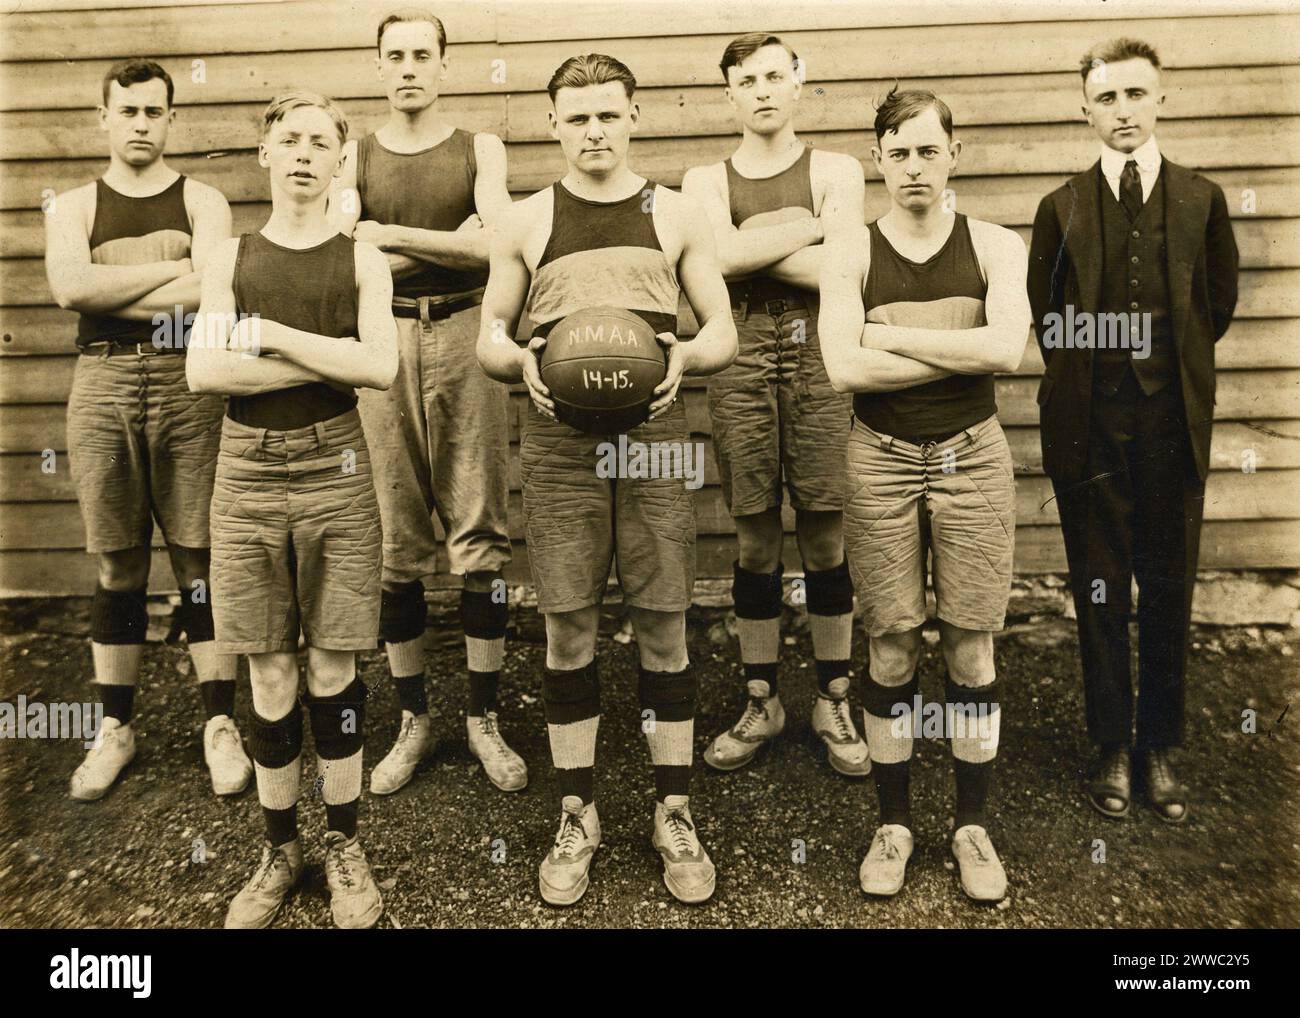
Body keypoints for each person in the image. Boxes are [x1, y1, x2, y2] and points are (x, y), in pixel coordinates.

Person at [476, 53, 737, 906]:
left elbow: (723, 328)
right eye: (576, 116)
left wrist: (687, 355)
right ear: (553, 123)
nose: (593, 131)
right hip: (558, 442)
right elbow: (489, 336)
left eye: (608, 115)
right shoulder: (525, 219)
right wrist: (524, 365)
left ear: (634, 117)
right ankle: (577, 810)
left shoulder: (677, 212)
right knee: (569, 630)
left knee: (665, 624)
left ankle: (673, 809)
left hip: (656, 435)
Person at [187, 91, 399, 928]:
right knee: (269, 666)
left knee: (333, 667)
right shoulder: (232, 256)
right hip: (244, 470)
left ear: (341, 161)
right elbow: (206, 372)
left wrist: (266, 335)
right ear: (265, 156)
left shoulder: (361, 261)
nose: (305, 153)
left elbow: (379, 366)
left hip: (335, 465)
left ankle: (343, 844)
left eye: (321, 142)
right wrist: (328, 358)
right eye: (290, 140)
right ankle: (280, 849)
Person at [819, 87, 1031, 902]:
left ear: (955, 155)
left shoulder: (995, 246)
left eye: (928, 149)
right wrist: (958, 348)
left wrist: (890, 332)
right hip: (879, 455)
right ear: (878, 158)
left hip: (972, 455)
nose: (914, 166)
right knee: (894, 642)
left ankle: (971, 827)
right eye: (898, 151)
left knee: (972, 643)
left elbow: (1006, 349)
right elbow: (845, 370)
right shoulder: (851, 253)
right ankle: (895, 822)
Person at [1028, 39, 1238, 825]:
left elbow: (1216, 305)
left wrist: (1163, 373)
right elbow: (1048, 315)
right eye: (1107, 98)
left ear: (1162, 99)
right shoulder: (1063, 206)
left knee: (1170, 581)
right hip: (1090, 427)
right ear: (1085, 106)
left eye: (1136, 95)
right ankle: (1111, 742)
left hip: (1171, 423)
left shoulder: (1200, 198)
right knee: (1100, 583)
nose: (1123, 111)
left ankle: (1161, 744)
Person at [328, 7, 524, 796]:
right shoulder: (353, 154)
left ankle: (482, 717)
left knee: (480, 529)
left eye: (422, 54)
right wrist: (443, 240)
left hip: (468, 335)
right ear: (378, 66)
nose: (408, 66)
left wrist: (387, 237)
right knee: (394, 536)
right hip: (384, 346)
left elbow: (496, 248)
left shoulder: (482, 148)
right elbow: (344, 260)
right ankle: (414, 719)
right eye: (394, 55)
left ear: (444, 65)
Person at [44, 58, 252, 802]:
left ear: (171, 119)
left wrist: (109, 289)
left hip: (185, 382)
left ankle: (219, 725)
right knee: (118, 565)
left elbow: (214, 289)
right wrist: (168, 284)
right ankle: (116, 729)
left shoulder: (203, 200)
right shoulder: (72, 206)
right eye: (126, 111)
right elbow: (69, 288)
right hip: (99, 383)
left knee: (200, 559)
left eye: (153, 111)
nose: (139, 124)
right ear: (104, 118)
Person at [682, 33, 869, 778]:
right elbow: (714, 261)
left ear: (799, 83)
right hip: (740, 348)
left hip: (822, 348)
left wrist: (748, 243)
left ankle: (833, 694)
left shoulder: (837, 168)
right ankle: (762, 697)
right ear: (729, 94)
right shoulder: (705, 178)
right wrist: (809, 228)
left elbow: (843, 271)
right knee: (755, 535)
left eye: (774, 75)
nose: (762, 89)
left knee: (825, 532)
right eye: (746, 80)